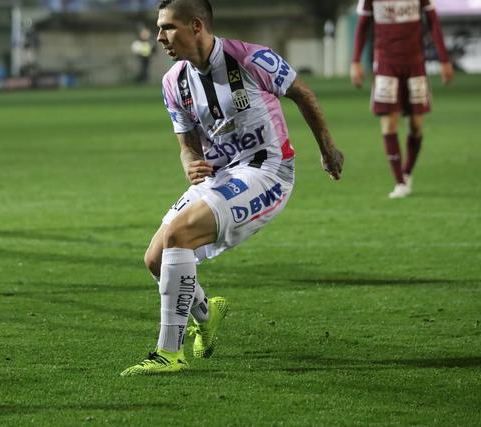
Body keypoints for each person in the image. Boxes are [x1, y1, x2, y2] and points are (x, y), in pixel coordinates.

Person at [120, 0, 344, 376]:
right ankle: (207, 315)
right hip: (221, 176)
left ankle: (168, 353)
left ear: (196, 26)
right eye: (159, 28)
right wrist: (190, 162)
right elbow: (187, 145)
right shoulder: (174, 82)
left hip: (267, 172)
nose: (159, 37)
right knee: (155, 259)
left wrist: (328, 149)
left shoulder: (252, 59)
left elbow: (303, 94)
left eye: (168, 27)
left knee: (178, 235)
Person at [351, 0, 453, 199]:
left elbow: (433, 21)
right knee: (389, 123)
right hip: (386, 64)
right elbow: (362, 25)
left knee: (416, 125)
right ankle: (399, 181)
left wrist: (444, 59)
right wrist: (355, 61)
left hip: (415, 63)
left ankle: (407, 172)